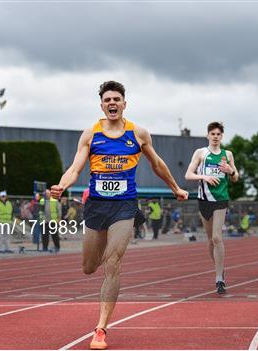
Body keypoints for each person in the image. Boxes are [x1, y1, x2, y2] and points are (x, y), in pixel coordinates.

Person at [50, 81, 188, 350]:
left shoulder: (138, 134)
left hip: (125, 206)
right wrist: (62, 184)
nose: (112, 103)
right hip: (97, 206)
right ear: (101, 105)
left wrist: (176, 188)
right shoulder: (91, 134)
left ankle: (100, 329)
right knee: (90, 267)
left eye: (117, 99)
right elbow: (76, 167)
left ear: (125, 103)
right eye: (107, 99)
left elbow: (157, 164)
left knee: (113, 262)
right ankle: (104, 257)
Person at [185, 121, 239, 295]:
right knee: (210, 240)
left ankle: (219, 278)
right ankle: (220, 268)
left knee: (217, 237)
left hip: (221, 199)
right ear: (208, 135)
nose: (215, 137)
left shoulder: (227, 154)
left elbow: (235, 177)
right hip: (204, 199)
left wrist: (230, 171)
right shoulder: (201, 153)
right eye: (212, 134)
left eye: (218, 134)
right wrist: (205, 177)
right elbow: (188, 174)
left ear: (222, 136)